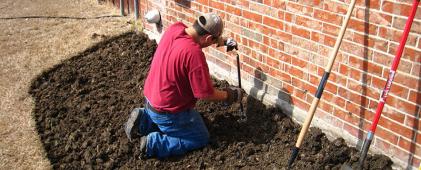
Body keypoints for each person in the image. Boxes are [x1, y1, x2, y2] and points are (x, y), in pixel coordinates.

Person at [124, 12, 243, 159]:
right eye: (212, 41)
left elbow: (203, 37)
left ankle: (144, 120)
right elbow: (205, 94)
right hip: (168, 111)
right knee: (199, 137)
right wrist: (230, 95)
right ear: (207, 38)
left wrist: (222, 41)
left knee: (187, 118)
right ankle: (154, 144)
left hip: (151, 98)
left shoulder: (175, 28)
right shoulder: (194, 54)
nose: (211, 44)